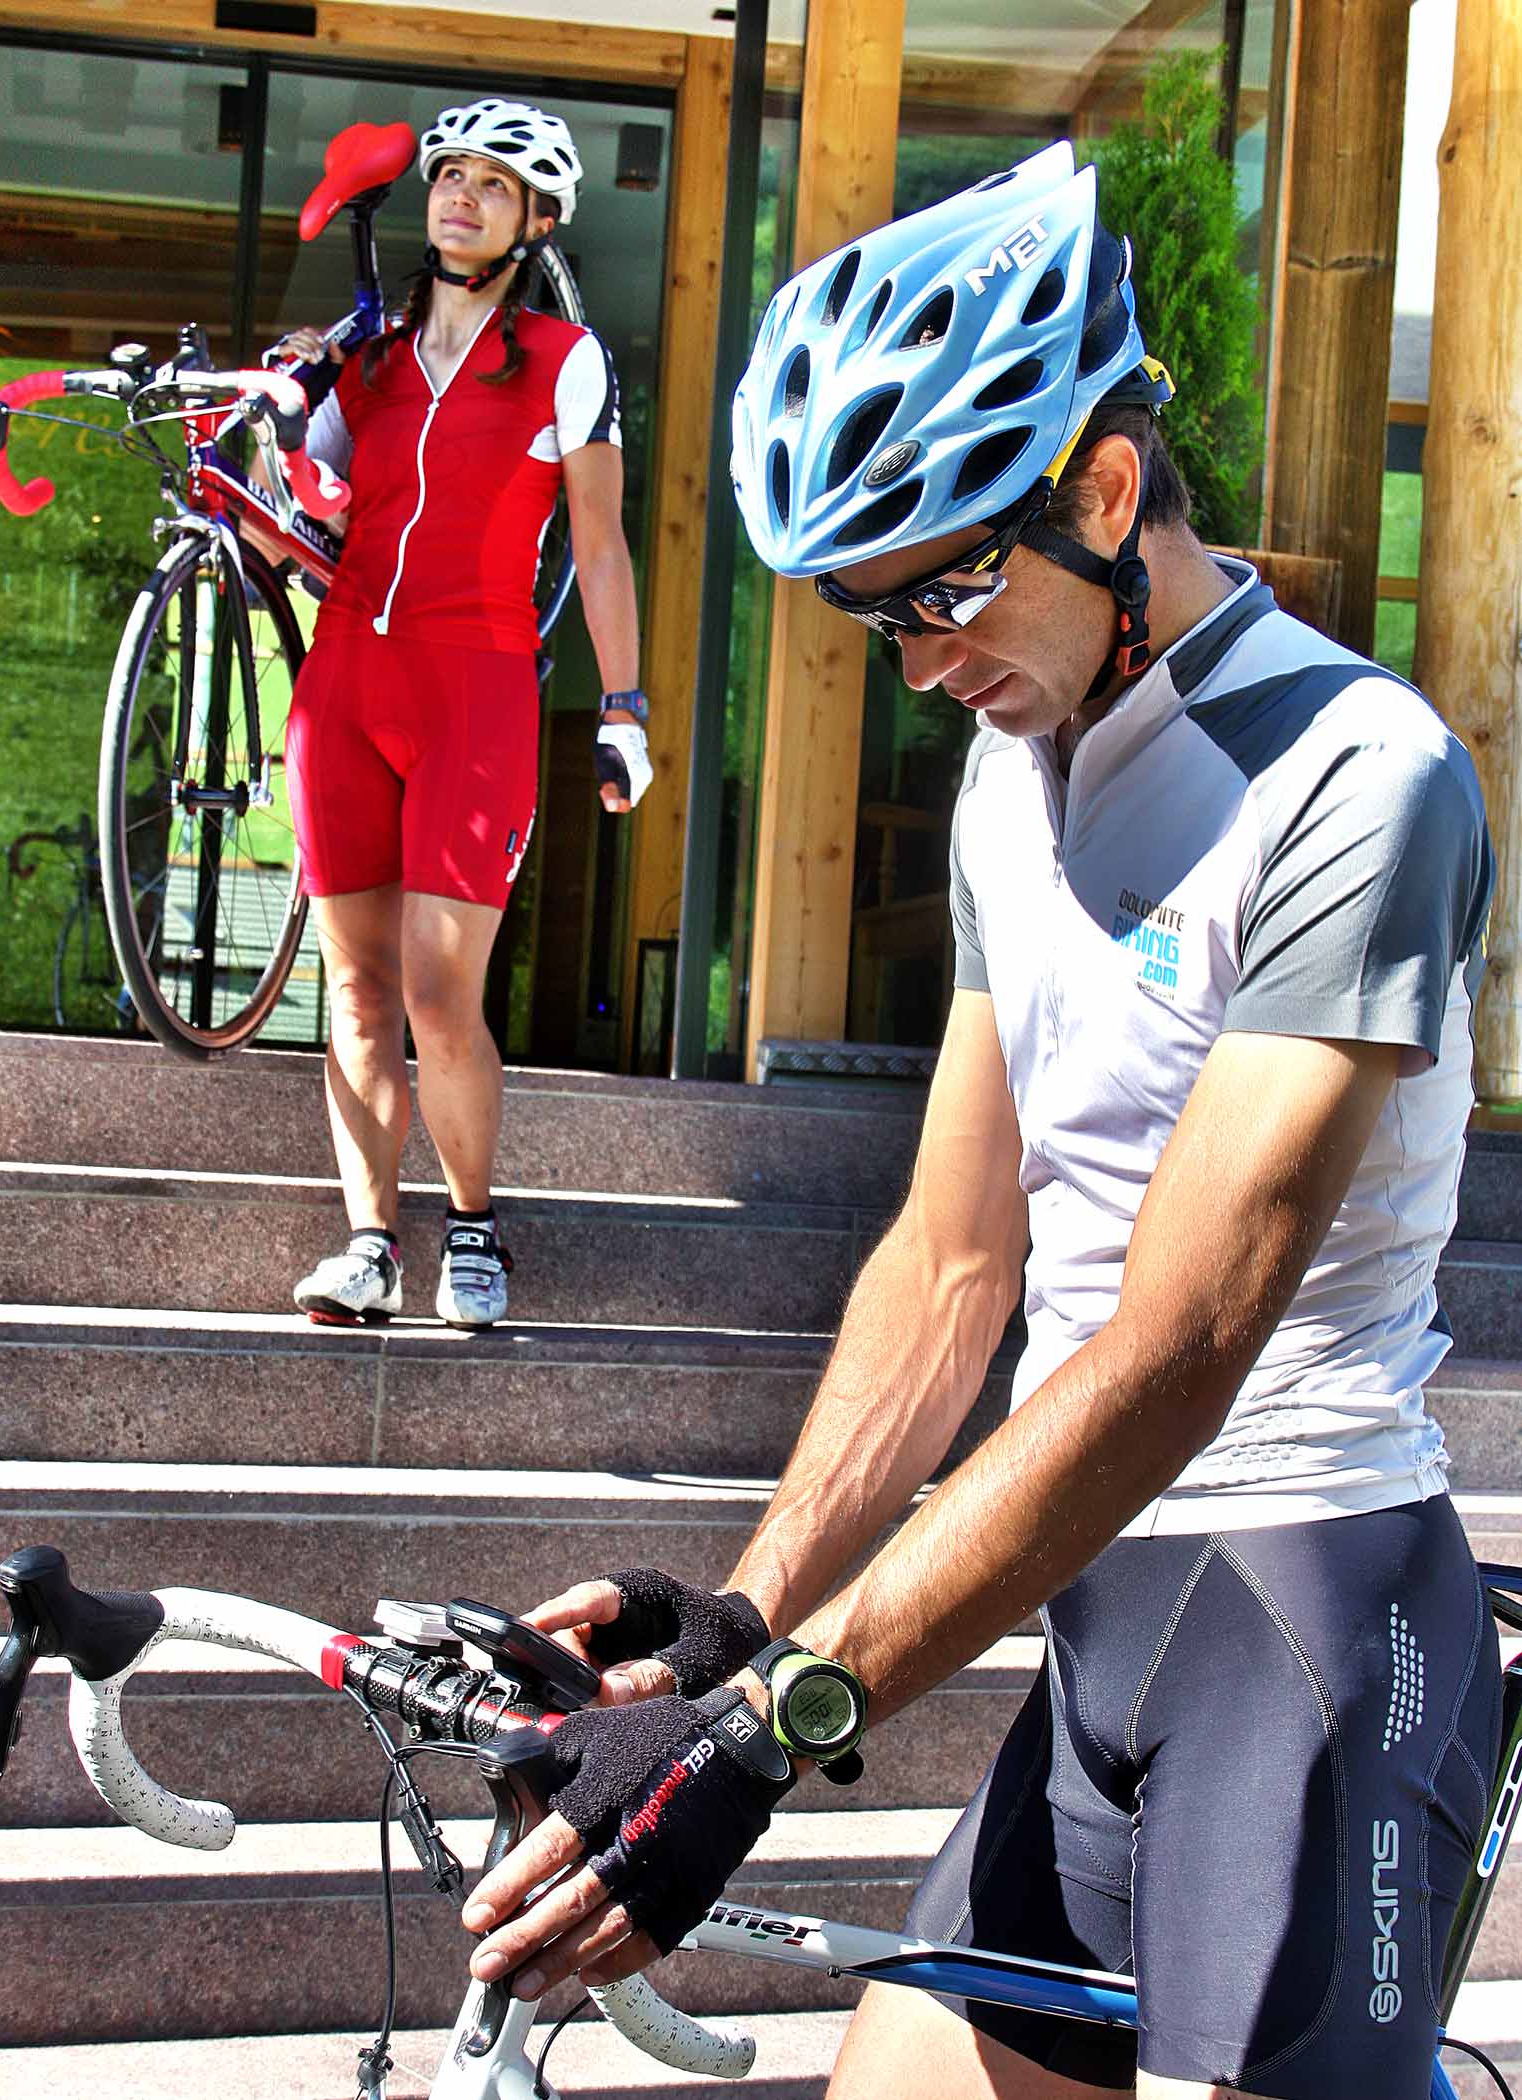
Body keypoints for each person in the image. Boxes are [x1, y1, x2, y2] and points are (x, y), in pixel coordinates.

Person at [454, 141, 1502, 2100]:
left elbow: (1169, 1358)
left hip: (1304, 1617)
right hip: (1094, 1633)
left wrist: (766, 1734)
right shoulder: (1006, 781)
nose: (925, 668)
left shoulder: (1361, 782)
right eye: (878, 623)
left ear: (1106, 491)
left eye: (943, 591)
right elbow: (951, 1266)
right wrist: (738, 1621)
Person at [276, 99, 652, 1331]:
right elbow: (307, 513)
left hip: (475, 691)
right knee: (356, 989)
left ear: (535, 219)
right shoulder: (366, 351)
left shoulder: (562, 359)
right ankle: (370, 1245)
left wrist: (624, 703)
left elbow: (597, 547)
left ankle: (474, 1228)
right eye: (452, 177)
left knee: (441, 994)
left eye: (496, 186)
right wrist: (278, 433)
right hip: (344, 685)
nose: (462, 198)